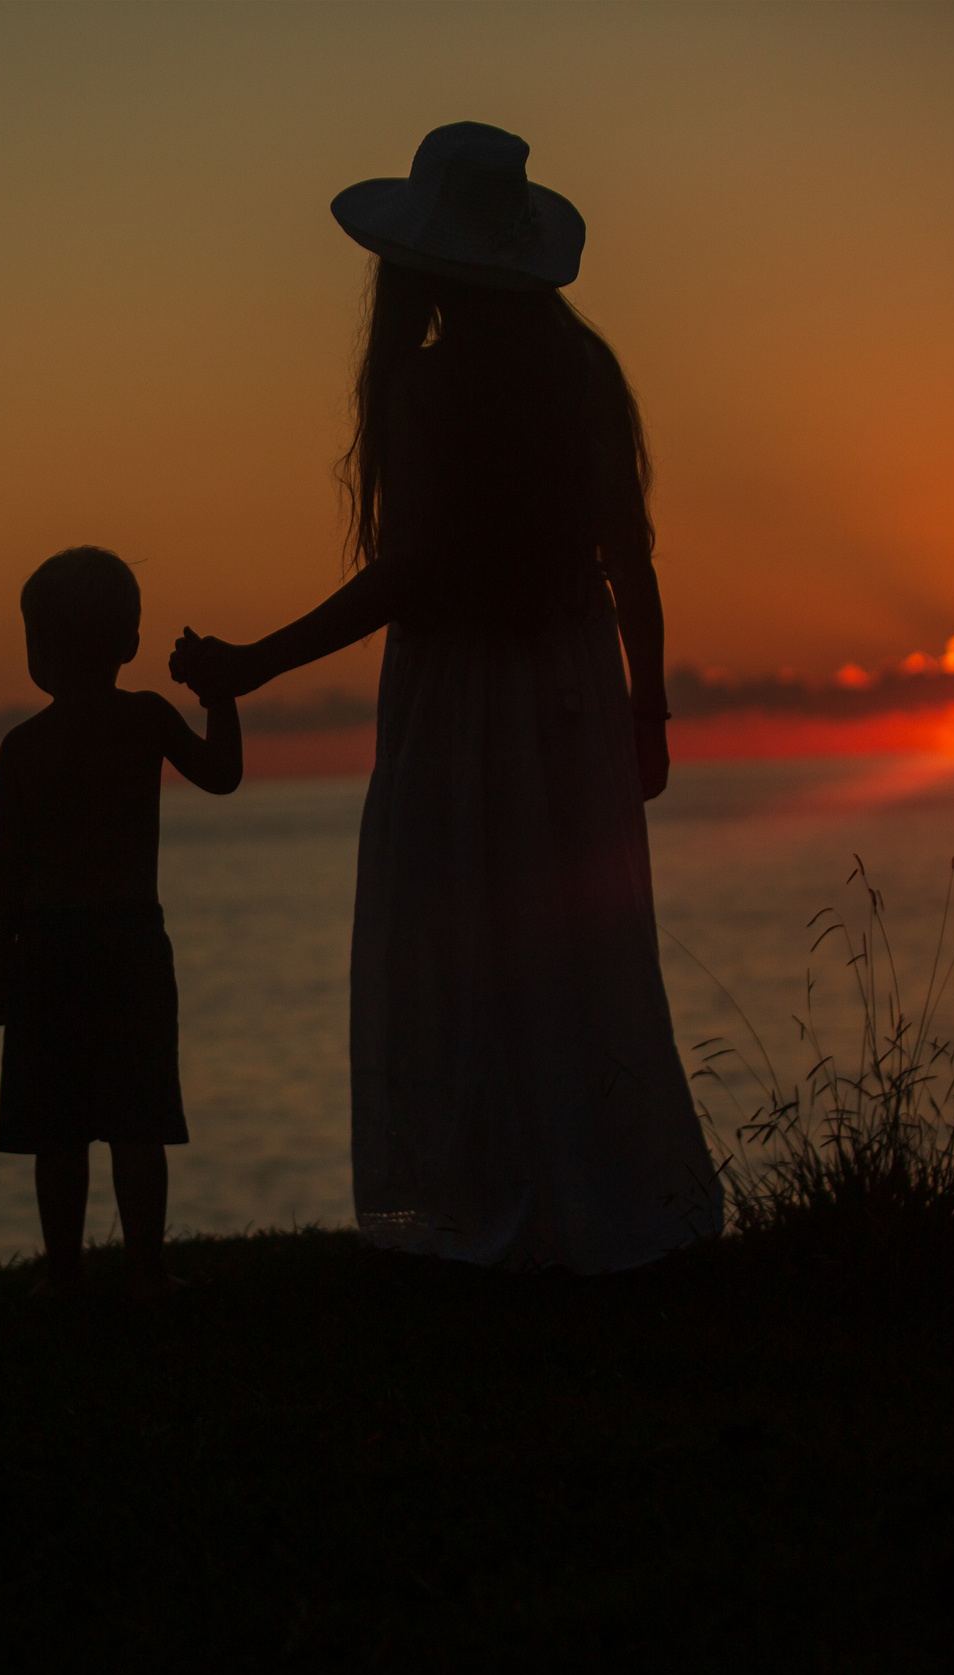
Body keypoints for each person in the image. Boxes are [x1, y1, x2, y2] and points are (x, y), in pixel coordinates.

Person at [172, 123, 722, 1273]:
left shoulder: (431, 388)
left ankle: (485, 1195)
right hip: (573, 679)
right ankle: (603, 1186)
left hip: (464, 694)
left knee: (462, 944)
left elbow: (409, 574)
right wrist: (645, 709)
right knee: (578, 947)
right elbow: (631, 556)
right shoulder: (582, 371)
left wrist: (249, 666)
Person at [0, 548, 242, 1299]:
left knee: (58, 1128)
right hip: (130, 938)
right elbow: (221, 774)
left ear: (40, 653)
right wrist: (218, 693)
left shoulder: (23, 746)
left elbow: (6, 866)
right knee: (138, 1116)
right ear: (130, 644)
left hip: (49, 946)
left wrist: (0, 968)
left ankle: (64, 1270)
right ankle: (145, 1266)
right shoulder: (146, 717)